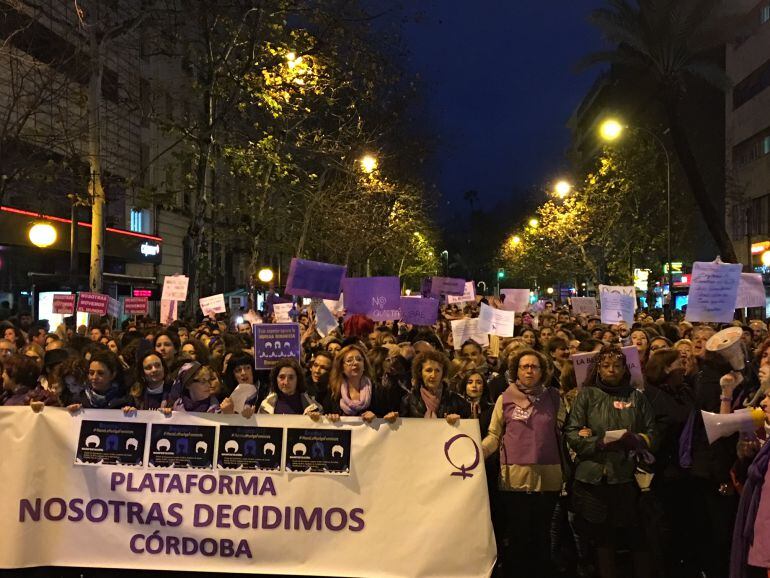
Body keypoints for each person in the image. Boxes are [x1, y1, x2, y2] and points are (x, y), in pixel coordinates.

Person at [565, 344, 656, 578]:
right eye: (606, 366)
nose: (611, 370)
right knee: (601, 539)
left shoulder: (636, 397)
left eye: (616, 365)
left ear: (625, 369)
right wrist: (597, 442)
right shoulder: (586, 395)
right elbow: (572, 432)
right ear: (598, 369)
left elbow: (652, 432)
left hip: (627, 477)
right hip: (594, 479)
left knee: (636, 536)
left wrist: (637, 440)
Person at [482, 348, 565, 577]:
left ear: (543, 371)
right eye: (524, 366)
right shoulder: (504, 399)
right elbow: (494, 435)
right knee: (518, 535)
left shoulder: (555, 397)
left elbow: (563, 432)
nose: (529, 370)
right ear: (516, 370)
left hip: (548, 477)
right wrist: (478, 452)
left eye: (534, 366)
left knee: (542, 534)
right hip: (514, 478)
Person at [643, 348, 697, 576]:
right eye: (678, 364)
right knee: (664, 525)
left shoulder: (684, 391)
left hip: (685, 469)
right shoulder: (650, 394)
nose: (683, 368)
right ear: (666, 368)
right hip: (664, 471)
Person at [322, 344, 399, 421]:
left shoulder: (377, 389)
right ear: (341, 367)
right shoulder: (333, 391)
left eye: (359, 359)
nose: (355, 363)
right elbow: (324, 417)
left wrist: (378, 417)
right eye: (349, 360)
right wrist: (330, 417)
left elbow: (387, 416)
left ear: (364, 365)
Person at [400, 350, 470, 423]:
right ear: (420, 373)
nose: (433, 375)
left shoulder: (457, 400)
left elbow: (468, 426)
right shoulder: (408, 400)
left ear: (443, 374)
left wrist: (459, 420)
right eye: (428, 370)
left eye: (437, 371)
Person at [67, 351, 132, 411]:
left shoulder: (125, 399)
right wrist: (72, 412)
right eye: (91, 373)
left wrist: (130, 413)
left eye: (100, 373)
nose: (94, 377)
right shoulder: (79, 399)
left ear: (113, 374)